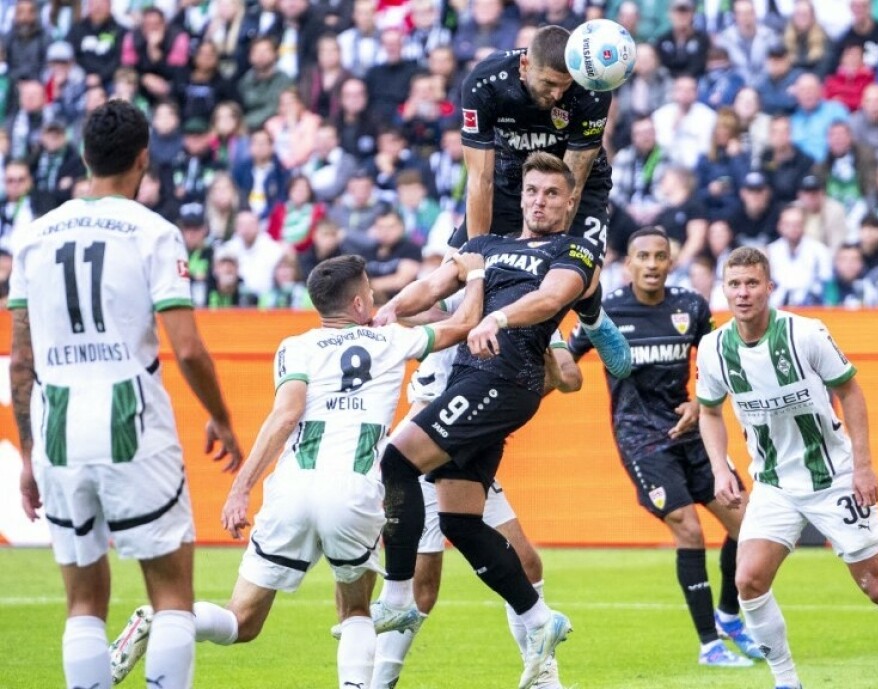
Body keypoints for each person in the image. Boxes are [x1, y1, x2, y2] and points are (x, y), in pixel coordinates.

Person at [108, 254, 487, 687]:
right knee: (356, 611)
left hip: (292, 489)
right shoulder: (392, 339)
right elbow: (467, 323)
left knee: (242, 620)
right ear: (359, 303)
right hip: (352, 490)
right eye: (369, 291)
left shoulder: (295, 346)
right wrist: (475, 272)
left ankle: (164, 620)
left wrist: (240, 488)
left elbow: (285, 415)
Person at [9, 98, 243, 689]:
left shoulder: (33, 238)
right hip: (130, 418)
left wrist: (30, 454)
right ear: (143, 159)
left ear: (85, 157)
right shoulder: (154, 232)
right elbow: (188, 349)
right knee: (171, 596)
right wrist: (221, 418)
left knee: (83, 603)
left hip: (57, 426)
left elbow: (22, 361)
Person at [694, 246, 878, 689]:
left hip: (833, 479)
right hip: (773, 483)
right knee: (748, 580)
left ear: (769, 287)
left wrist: (863, 466)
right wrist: (720, 469)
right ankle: (787, 681)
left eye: (752, 283)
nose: (743, 293)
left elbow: (850, 392)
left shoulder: (805, 333)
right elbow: (709, 412)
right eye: (734, 284)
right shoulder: (714, 348)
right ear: (724, 290)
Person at [371, 152, 600, 689]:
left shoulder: (575, 251)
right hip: (471, 381)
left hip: (505, 378)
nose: (539, 201)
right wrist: (389, 309)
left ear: (570, 201)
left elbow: (551, 297)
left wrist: (495, 316)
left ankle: (397, 599)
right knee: (459, 521)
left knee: (397, 461)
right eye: (532, 190)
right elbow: (433, 286)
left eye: (552, 193)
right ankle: (540, 621)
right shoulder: (486, 245)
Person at [569, 227, 762, 667]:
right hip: (641, 441)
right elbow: (567, 355)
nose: (652, 264)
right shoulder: (606, 311)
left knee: (748, 524)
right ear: (629, 264)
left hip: (691, 433)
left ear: (671, 263)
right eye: (643, 257)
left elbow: (716, 362)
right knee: (689, 529)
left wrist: (700, 403)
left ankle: (729, 616)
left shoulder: (690, 306)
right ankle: (710, 645)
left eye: (660, 256)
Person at [365, 323, 582, 689]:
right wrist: (395, 309)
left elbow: (570, 377)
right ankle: (376, 682)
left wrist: (538, 381)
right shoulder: (468, 307)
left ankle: (544, 680)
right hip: (428, 445)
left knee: (527, 562)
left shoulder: (538, 310)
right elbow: (430, 311)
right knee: (422, 589)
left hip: (470, 443)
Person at [449, 25, 632, 379]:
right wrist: (477, 259)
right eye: (549, 83)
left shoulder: (591, 90)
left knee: (580, 274)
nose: (558, 93)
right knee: (453, 271)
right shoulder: (485, 83)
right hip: (511, 180)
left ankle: (592, 317)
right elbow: (480, 180)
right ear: (525, 65)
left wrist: (550, 257)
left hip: (576, 183)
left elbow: (571, 184)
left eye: (564, 85)